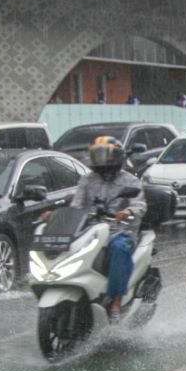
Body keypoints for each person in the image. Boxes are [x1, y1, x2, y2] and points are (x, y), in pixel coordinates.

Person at [70, 136, 146, 322]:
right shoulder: (86, 180)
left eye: (106, 155)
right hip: (90, 230)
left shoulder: (130, 181)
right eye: (98, 155)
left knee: (119, 249)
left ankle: (116, 302)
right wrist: (58, 215)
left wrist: (127, 211)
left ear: (118, 157)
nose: (102, 160)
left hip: (119, 231)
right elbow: (76, 206)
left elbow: (140, 205)